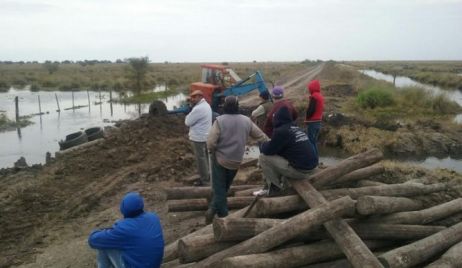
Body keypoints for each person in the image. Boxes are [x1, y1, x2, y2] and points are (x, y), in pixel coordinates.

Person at [206, 95, 268, 223]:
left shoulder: (219, 120)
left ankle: (225, 219)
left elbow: (211, 142)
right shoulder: (246, 121)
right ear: (237, 107)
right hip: (236, 161)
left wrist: (212, 151)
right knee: (223, 188)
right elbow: (262, 137)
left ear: (225, 107)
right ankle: (211, 210)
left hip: (220, 160)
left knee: (219, 190)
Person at [88, 192, 164, 268]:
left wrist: (98, 231)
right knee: (113, 242)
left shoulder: (124, 229)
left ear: (123, 208)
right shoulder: (153, 217)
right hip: (154, 265)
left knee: (104, 245)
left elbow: (93, 240)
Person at [258, 106, 318, 196]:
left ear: (277, 119)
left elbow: (267, 151)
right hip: (313, 168)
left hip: (301, 172)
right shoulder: (297, 128)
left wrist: (262, 144)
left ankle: (274, 188)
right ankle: (283, 183)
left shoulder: (281, 131)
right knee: (281, 155)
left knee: (263, 158)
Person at [185, 90, 213, 186]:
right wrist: (192, 105)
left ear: (199, 97)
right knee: (205, 158)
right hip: (206, 136)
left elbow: (187, 122)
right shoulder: (206, 105)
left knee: (201, 159)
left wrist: (190, 110)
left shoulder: (198, 109)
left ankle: (205, 180)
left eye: (193, 97)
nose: (192, 99)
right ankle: (208, 176)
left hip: (198, 138)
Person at [304, 80, 324, 156]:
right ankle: (316, 158)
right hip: (318, 122)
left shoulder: (314, 96)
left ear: (312, 88)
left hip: (312, 122)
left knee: (310, 141)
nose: (309, 90)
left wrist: (306, 119)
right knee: (314, 141)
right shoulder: (320, 96)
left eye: (309, 88)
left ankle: (312, 158)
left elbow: (311, 109)